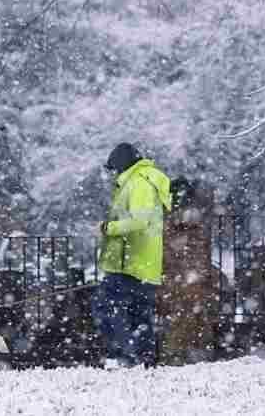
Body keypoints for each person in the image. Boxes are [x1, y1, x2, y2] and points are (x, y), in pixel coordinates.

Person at [92, 142, 171, 368]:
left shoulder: (139, 182)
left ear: (121, 164)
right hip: (143, 263)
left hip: (130, 262)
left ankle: (121, 356)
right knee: (139, 313)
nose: (114, 174)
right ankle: (144, 360)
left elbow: (140, 220)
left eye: (114, 169)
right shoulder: (143, 180)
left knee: (106, 306)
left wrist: (108, 228)